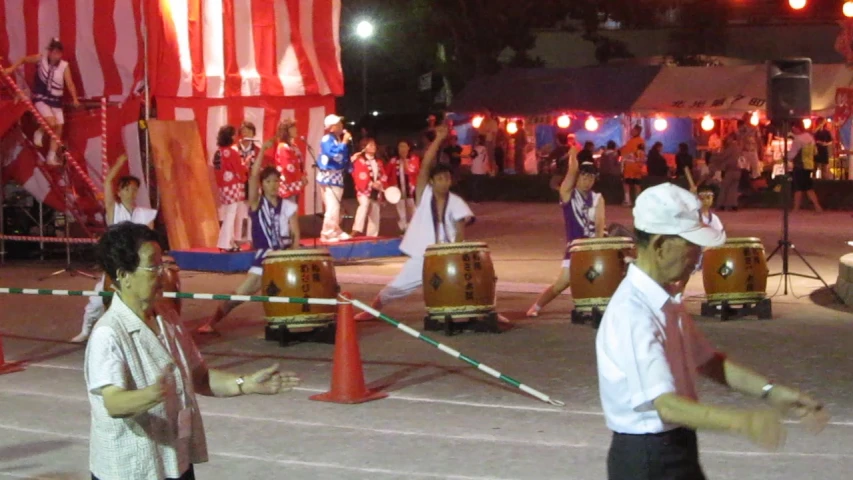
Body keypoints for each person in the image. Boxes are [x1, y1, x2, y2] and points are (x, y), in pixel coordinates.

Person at [596, 183, 828, 480]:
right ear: (659, 245)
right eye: (691, 245)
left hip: (675, 447)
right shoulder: (633, 313)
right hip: (648, 458)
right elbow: (666, 405)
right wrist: (741, 423)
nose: (698, 257)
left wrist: (770, 392)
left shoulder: (664, 298)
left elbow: (708, 361)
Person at [85, 222, 300, 480]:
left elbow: (198, 376)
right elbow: (113, 402)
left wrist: (244, 384)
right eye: (153, 266)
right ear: (123, 275)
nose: (164, 275)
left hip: (175, 459)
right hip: (133, 468)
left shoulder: (167, 316)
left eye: (164, 264)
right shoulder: (109, 333)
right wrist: (151, 395)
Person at [354, 124, 474, 320]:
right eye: (440, 178)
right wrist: (437, 140)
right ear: (433, 182)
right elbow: (426, 166)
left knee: (473, 282)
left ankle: (488, 311)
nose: (444, 181)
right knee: (394, 288)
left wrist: (454, 255)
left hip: (448, 256)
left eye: (447, 178)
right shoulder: (424, 196)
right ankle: (372, 311)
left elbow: (460, 233)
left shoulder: (456, 202)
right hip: (422, 256)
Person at [200, 143, 300, 334]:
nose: (274, 185)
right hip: (264, 258)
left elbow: (296, 236)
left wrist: (293, 256)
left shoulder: (288, 206)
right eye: (269, 181)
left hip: (284, 257)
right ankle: (211, 322)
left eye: (276, 181)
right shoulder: (256, 204)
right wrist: (262, 152)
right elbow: (253, 176)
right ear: (263, 185)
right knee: (240, 294)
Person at [72, 154, 157, 343]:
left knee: (145, 300)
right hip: (115, 264)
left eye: (135, 189)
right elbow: (108, 181)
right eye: (127, 189)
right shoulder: (113, 210)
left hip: (136, 266)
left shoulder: (145, 214)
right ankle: (86, 330)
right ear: (120, 191)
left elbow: (150, 241)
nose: (131, 193)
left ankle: (148, 332)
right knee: (96, 301)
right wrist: (119, 162)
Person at [527, 150, 605, 317]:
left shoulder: (598, 198)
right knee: (562, 283)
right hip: (575, 248)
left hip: (593, 247)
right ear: (577, 178)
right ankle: (537, 306)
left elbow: (600, 225)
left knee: (598, 278)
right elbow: (571, 172)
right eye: (584, 177)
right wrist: (573, 156)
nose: (587, 181)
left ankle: (594, 309)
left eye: (591, 178)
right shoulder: (568, 194)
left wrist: (598, 248)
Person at [6, 38, 80, 166]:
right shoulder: (41, 59)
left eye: (58, 53)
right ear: (49, 52)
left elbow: (70, 83)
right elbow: (23, 59)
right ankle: (40, 131)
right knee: (51, 123)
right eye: (54, 52)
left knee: (59, 128)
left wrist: (75, 98)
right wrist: (11, 69)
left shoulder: (64, 66)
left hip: (56, 100)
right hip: (41, 98)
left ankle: (51, 157)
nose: (56, 55)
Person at [317, 114, 352, 242]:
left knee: (335, 206)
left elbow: (342, 156)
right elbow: (334, 153)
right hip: (329, 177)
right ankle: (327, 233)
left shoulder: (336, 139)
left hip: (336, 177)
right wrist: (344, 142)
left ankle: (335, 230)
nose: (342, 126)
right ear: (331, 128)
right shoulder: (327, 139)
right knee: (332, 206)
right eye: (338, 124)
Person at [350, 138, 388, 237]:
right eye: (370, 145)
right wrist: (371, 184)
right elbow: (360, 175)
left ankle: (372, 235)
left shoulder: (378, 162)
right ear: (364, 147)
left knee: (375, 212)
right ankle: (356, 229)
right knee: (364, 204)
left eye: (374, 145)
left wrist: (380, 183)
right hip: (364, 190)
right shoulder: (360, 161)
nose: (373, 147)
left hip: (376, 191)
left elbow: (383, 175)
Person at [787, 122, 823, 213]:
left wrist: (786, 157)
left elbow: (792, 154)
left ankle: (796, 208)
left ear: (797, 128)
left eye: (794, 128)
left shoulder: (798, 140)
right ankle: (817, 207)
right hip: (809, 165)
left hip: (800, 165)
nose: (793, 130)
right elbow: (815, 152)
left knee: (798, 188)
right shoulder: (810, 137)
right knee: (808, 187)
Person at [386, 139, 421, 233]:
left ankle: (414, 230)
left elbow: (411, 171)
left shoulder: (414, 159)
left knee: (413, 210)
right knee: (401, 211)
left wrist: (405, 160)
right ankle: (404, 230)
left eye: (404, 146)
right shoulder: (393, 161)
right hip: (398, 190)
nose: (402, 149)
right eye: (400, 146)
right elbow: (386, 174)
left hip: (411, 190)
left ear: (408, 148)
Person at [271, 119, 307, 201]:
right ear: (286, 131)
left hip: (295, 184)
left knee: (293, 210)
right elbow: (288, 167)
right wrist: (301, 176)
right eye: (293, 128)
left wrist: (303, 174)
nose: (296, 130)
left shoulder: (293, 146)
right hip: (287, 185)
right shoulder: (283, 147)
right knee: (289, 211)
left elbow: (300, 162)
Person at [707, 134, 742, 211]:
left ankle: (721, 205)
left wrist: (714, 155)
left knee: (724, 188)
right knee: (733, 188)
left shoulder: (731, 147)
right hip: (738, 171)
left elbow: (723, 156)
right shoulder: (738, 147)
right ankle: (733, 205)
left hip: (730, 170)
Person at [620, 125, 645, 206]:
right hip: (637, 166)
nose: (631, 131)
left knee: (627, 183)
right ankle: (638, 201)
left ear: (637, 131)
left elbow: (627, 152)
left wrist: (627, 156)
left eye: (633, 130)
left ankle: (628, 200)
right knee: (636, 184)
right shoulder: (640, 141)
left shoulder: (634, 141)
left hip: (631, 166)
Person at [469, 135, 490, 202]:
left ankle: (475, 200)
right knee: (480, 186)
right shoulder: (484, 149)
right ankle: (480, 199)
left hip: (476, 169)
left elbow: (472, 155)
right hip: (482, 169)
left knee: (474, 186)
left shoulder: (477, 149)